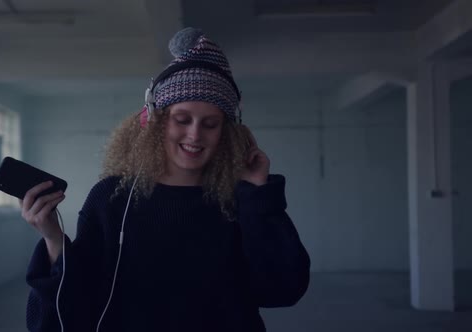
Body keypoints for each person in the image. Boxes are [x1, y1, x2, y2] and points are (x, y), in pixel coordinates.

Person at [20, 27, 310, 332]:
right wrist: (53, 239)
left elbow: (283, 290)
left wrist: (257, 195)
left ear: (227, 132)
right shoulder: (112, 197)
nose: (195, 134)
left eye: (210, 124)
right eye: (182, 120)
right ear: (153, 121)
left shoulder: (241, 199)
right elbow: (68, 313)